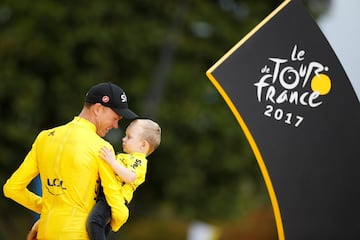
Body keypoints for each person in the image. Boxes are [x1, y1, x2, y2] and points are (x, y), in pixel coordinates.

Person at [3, 82, 138, 240]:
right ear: (98, 109)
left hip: (45, 232)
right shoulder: (101, 148)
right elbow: (113, 199)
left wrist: (50, 208)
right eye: (115, 118)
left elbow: (12, 188)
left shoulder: (44, 138)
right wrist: (119, 219)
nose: (115, 125)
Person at [86, 118, 161, 240]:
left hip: (114, 200)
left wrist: (112, 161)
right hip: (106, 195)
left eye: (129, 137)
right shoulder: (124, 157)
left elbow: (130, 177)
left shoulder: (139, 161)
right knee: (101, 230)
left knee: (95, 222)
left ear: (143, 145)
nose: (123, 139)